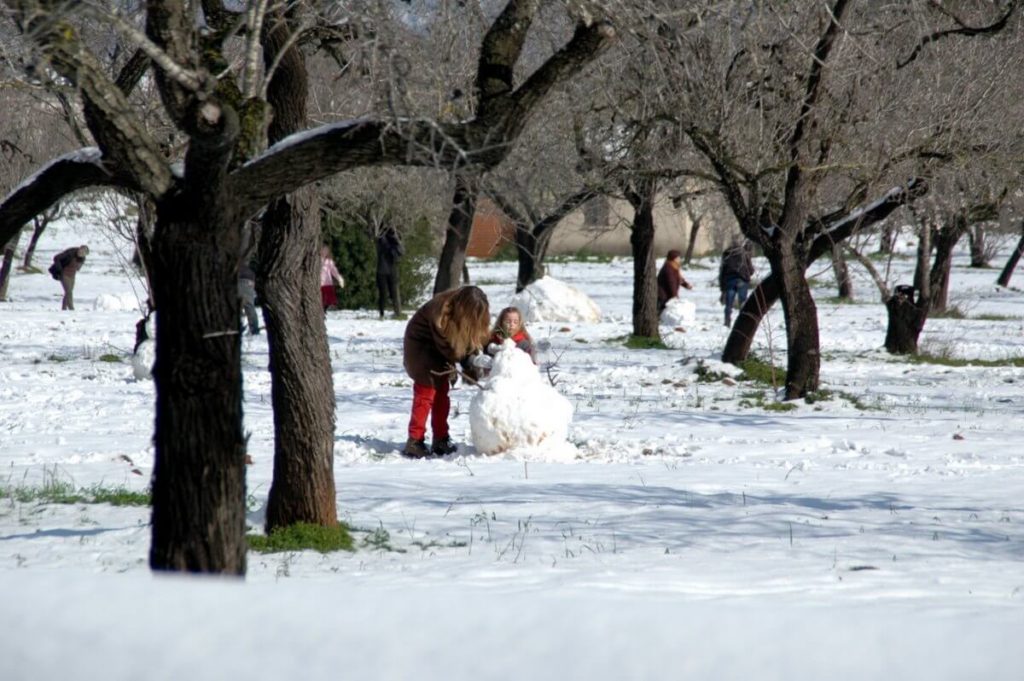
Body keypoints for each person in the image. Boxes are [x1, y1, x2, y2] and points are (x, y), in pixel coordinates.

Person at [402, 285, 491, 459]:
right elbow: (450, 348)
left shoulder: (462, 311)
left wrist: (488, 350)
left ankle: (441, 438)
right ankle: (414, 441)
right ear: (464, 308)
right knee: (425, 397)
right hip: (421, 349)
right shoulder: (440, 314)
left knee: (442, 397)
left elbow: (475, 334)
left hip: (439, 352)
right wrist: (469, 360)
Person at [719, 236, 755, 326]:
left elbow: (722, 270)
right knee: (742, 303)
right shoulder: (744, 253)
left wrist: (722, 287)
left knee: (729, 304)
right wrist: (749, 274)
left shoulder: (726, 254)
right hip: (742, 280)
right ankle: (742, 323)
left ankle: (727, 321)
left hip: (729, 281)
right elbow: (750, 269)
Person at [375, 226, 404, 318]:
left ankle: (394, 311)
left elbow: (400, 252)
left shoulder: (394, 241)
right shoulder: (382, 240)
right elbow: (387, 249)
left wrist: (395, 240)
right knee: (383, 293)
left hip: (390, 269)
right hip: (383, 270)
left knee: (392, 292)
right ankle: (382, 312)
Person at [49, 245, 89, 310]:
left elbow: (78, 268)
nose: (81, 253)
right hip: (64, 274)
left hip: (72, 275)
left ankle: (63, 309)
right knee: (69, 292)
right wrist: (59, 269)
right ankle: (71, 308)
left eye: (83, 253)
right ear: (79, 249)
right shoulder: (70, 253)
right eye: (80, 251)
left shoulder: (82, 258)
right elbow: (56, 258)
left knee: (68, 292)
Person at [656, 248, 693, 313]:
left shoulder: (674, 267)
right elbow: (671, 282)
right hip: (664, 296)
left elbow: (679, 278)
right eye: (678, 258)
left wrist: (686, 285)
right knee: (663, 313)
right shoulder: (668, 268)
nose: (679, 259)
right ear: (673, 258)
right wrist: (674, 296)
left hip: (668, 295)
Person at [319, 244, 345, 312]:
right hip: (319, 283)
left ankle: (324, 310)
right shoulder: (318, 260)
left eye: (326, 250)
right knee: (321, 299)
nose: (324, 252)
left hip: (327, 283)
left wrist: (339, 279)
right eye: (323, 250)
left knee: (329, 300)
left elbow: (334, 271)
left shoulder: (329, 261)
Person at [238, 261, 260, 335]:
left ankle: (239, 328)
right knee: (249, 306)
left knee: (237, 306)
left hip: (240, 280)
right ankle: (254, 328)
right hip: (249, 280)